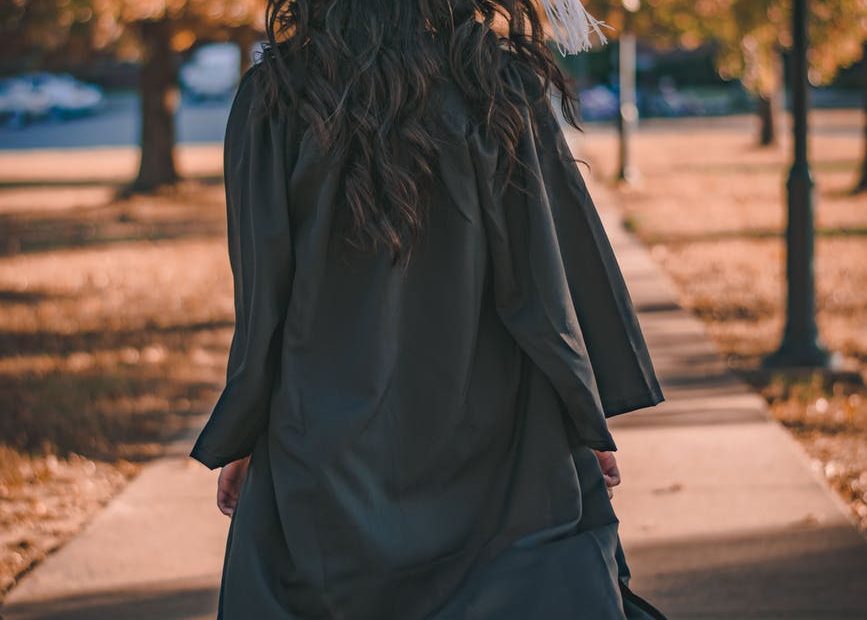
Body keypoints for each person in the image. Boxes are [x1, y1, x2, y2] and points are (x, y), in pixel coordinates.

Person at [189, 1, 668, 618]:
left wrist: (246, 429)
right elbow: (547, 281)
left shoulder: (277, 98)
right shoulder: (497, 88)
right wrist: (582, 411)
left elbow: (263, 297)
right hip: (501, 438)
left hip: (329, 441)